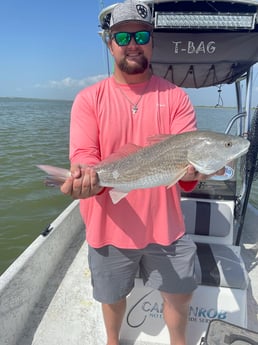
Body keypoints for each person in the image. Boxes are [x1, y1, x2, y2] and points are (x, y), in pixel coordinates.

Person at [61, 1, 224, 344]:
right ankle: (112, 340)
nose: (132, 42)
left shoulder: (176, 98)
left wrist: (198, 171)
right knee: (112, 297)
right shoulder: (89, 99)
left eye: (141, 34)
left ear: (152, 41)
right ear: (110, 43)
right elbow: (85, 157)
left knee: (180, 294)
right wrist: (85, 181)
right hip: (109, 227)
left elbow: (188, 175)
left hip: (167, 228)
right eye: (122, 35)